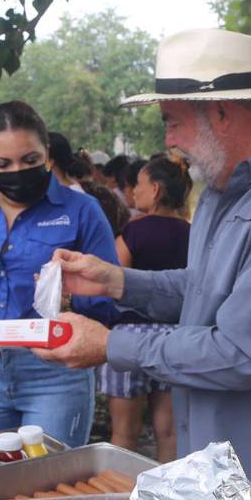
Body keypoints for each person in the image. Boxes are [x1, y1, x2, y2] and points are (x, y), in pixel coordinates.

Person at [32, 28, 251, 492]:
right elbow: (206, 288)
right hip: (207, 458)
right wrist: (117, 282)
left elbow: (242, 351)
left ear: (223, 112)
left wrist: (112, 344)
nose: (170, 141)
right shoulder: (222, 188)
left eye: (172, 121)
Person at [0, 101, 119, 447]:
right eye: (3, 164)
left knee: (50, 486)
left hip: (55, 371)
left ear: (47, 154)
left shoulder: (82, 211)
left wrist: (71, 301)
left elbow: (109, 300)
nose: (17, 171)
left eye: (29, 160)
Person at [98, 155, 192, 463]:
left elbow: (113, 282)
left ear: (155, 189)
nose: (133, 191)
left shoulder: (132, 232)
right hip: (176, 339)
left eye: (138, 184)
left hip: (129, 339)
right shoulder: (194, 234)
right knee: (170, 433)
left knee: (124, 433)